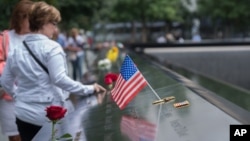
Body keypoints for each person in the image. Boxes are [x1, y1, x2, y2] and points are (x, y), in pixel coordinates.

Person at [1, 1, 106, 141]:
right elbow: (60, 80)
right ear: (43, 23)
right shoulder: (52, 48)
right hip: (48, 114)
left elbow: (5, 82)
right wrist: (89, 88)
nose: (55, 29)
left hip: (23, 114)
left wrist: (19, 97)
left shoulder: (16, 50)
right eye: (54, 24)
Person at [0, 1, 34, 141]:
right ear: (19, 18)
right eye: (29, 18)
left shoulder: (40, 37)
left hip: (35, 96)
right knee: (15, 137)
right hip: (10, 98)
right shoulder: (5, 37)